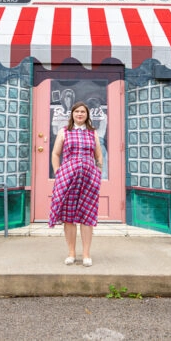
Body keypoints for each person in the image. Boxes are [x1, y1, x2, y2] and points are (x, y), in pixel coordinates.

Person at [49, 101, 103, 267]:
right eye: (77, 111)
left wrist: (98, 172)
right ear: (72, 114)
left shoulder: (92, 133)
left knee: (87, 215)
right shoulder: (64, 132)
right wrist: (59, 173)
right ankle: (71, 253)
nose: (80, 114)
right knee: (69, 216)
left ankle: (86, 254)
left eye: (83, 112)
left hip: (88, 179)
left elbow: (99, 156)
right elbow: (55, 153)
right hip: (67, 178)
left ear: (87, 115)